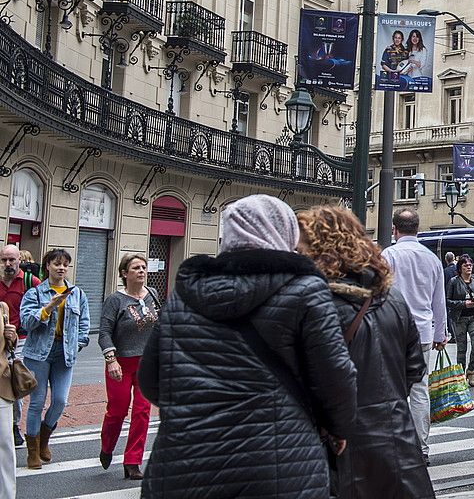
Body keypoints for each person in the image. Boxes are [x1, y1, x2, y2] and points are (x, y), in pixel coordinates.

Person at [138, 195, 357, 498]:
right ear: (285, 232)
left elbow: (150, 381)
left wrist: (196, 406)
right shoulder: (305, 290)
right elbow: (336, 377)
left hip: (186, 462)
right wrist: (338, 427)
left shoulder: (183, 295)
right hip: (279, 462)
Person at [297, 206, 435, 499]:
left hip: (340, 448)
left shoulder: (315, 303)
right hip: (397, 440)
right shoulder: (393, 299)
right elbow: (414, 367)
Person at [382, 208, 448, 465]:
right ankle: (421, 448)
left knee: (392, 389)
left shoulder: (389, 255)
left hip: (393, 330)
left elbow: (380, 294)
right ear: (417, 229)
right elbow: (438, 300)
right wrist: (440, 333)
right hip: (422, 332)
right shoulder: (431, 259)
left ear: (394, 230)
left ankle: (395, 445)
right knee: (420, 390)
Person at [20, 248, 89, 471]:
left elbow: (84, 324)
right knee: (37, 403)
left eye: (65, 264)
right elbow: (26, 323)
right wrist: (48, 308)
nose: (61, 268)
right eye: (57, 263)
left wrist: (77, 344)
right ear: (47, 266)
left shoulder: (77, 294)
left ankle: (44, 436)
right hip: (38, 354)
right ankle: (33, 451)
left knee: (60, 401)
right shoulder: (35, 293)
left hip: (64, 354)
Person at [97, 253, 159, 479]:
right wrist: (111, 359)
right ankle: (107, 446)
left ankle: (132, 462)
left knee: (142, 412)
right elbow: (104, 333)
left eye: (143, 267)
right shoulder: (115, 300)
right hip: (120, 364)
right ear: (125, 273)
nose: (142, 271)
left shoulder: (152, 294)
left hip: (146, 363)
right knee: (117, 411)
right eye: (136, 268)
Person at [0, 245, 36, 448]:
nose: (8, 264)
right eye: (4, 260)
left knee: (14, 382)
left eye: (11, 260)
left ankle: (13, 425)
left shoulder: (31, 283)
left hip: (21, 340)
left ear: (19, 261)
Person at [447, 255, 474, 388]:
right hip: (459, 319)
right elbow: (448, 301)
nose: (468, 267)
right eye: (465, 265)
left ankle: (471, 371)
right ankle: (460, 376)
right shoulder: (453, 281)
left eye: (470, 265)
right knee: (461, 349)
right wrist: (464, 304)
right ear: (460, 268)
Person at [0, 295, 17, 498]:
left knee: (5, 443)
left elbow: (8, 349)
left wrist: (11, 337)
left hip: (1, 383)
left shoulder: (2, 308)